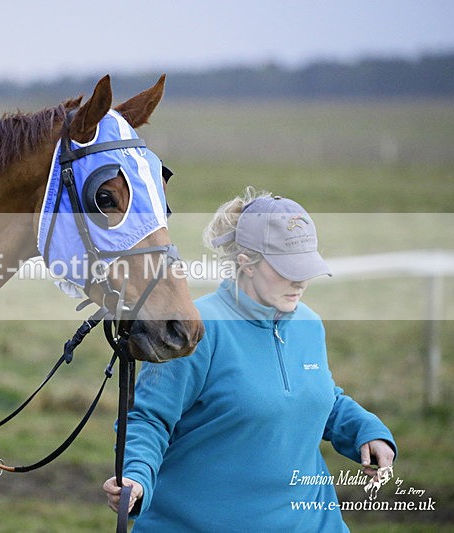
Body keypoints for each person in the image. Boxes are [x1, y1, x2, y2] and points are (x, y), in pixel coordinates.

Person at [102, 187, 396, 532]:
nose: (300, 281)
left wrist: (365, 431)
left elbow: (318, 398)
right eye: (287, 268)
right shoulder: (194, 330)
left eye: (305, 266)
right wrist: (136, 478)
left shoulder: (309, 324)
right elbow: (149, 418)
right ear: (246, 264)